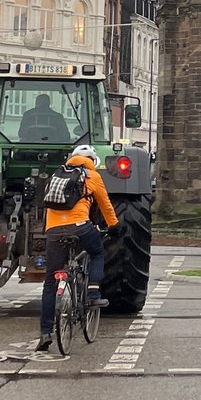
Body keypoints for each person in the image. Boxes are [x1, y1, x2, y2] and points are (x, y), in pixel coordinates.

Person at [35, 149, 120, 352]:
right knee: (97, 252)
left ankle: (45, 332)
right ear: (92, 161)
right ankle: (92, 293)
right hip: (80, 226)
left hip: (54, 230)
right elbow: (105, 205)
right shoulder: (92, 176)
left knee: (51, 281)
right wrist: (114, 226)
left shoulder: (58, 174)